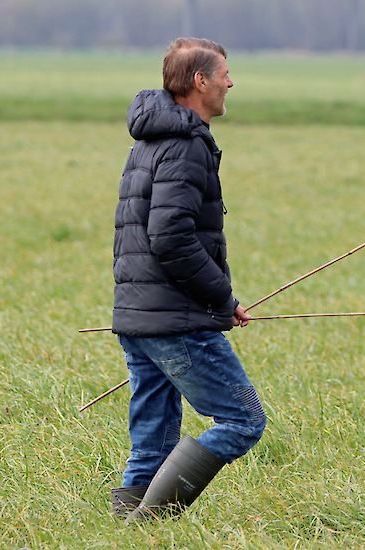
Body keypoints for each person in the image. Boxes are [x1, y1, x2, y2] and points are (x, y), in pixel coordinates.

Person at [108, 37, 265, 522]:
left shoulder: (152, 138)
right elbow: (171, 239)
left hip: (140, 317)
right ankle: (152, 520)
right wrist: (221, 296)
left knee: (153, 438)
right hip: (177, 319)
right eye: (223, 74)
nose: (230, 82)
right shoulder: (185, 145)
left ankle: (130, 530)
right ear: (200, 81)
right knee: (243, 419)